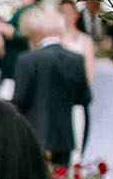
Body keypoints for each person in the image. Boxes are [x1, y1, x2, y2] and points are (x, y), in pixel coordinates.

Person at [12, 9, 93, 167]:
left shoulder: (27, 60)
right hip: (64, 136)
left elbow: (19, 100)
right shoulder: (75, 59)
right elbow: (85, 98)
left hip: (32, 135)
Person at [0, 0, 44, 84]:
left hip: (18, 56)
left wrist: (11, 31)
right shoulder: (26, 8)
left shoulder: (32, 9)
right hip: (15, 56)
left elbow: (29, 33)